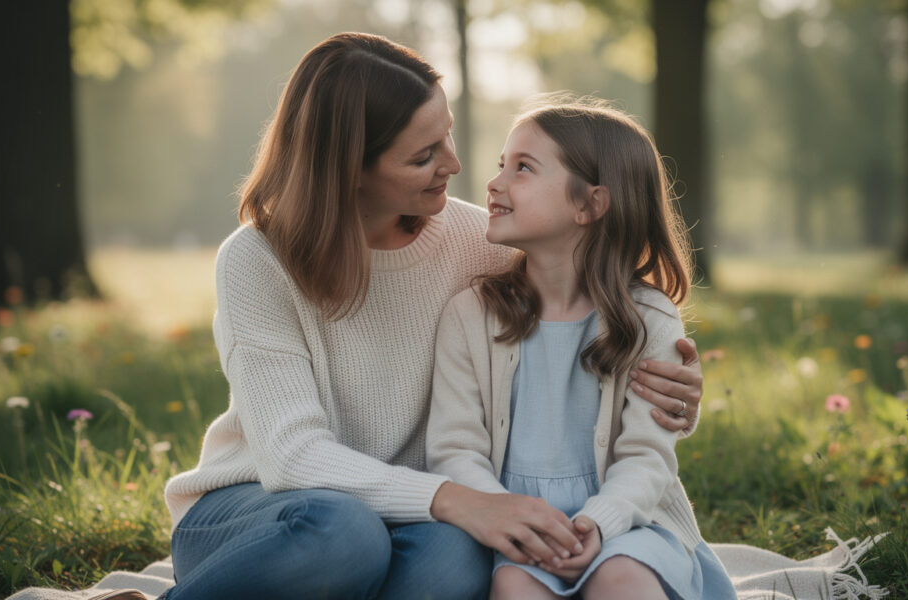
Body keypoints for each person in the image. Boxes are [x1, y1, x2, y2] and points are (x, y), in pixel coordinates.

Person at [160, 33, 704, 600]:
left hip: (410, 516)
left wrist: (672, 386)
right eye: (423, 156)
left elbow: (589, 306)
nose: (454, 163)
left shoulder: (479, 241)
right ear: (351, 171)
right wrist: (459, 501)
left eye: (444, 134)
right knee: (346, 536)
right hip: (264, 513)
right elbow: (292, 457)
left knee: (463, 558)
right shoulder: (257, 261)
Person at [427, 98, 735, 600]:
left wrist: (599, 521)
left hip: (630, 525)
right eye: (501, 164)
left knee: (621, 579)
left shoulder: (649, 319)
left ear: (590, 204)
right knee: (514, 584)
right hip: (515, 531)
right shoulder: (470, 315)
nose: (495, 182)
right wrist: (515, 522)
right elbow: (454, 449)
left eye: (522, 168)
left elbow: (647, 457)